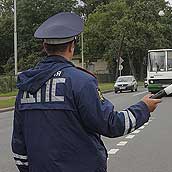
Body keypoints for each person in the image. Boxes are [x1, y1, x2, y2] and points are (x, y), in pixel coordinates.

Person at [11, 12, 161, 172]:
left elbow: (19, 145)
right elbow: (111, 125)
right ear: (71, 47)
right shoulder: (81, 81)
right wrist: (144, 107)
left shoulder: (26, 86)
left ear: (44, 47)